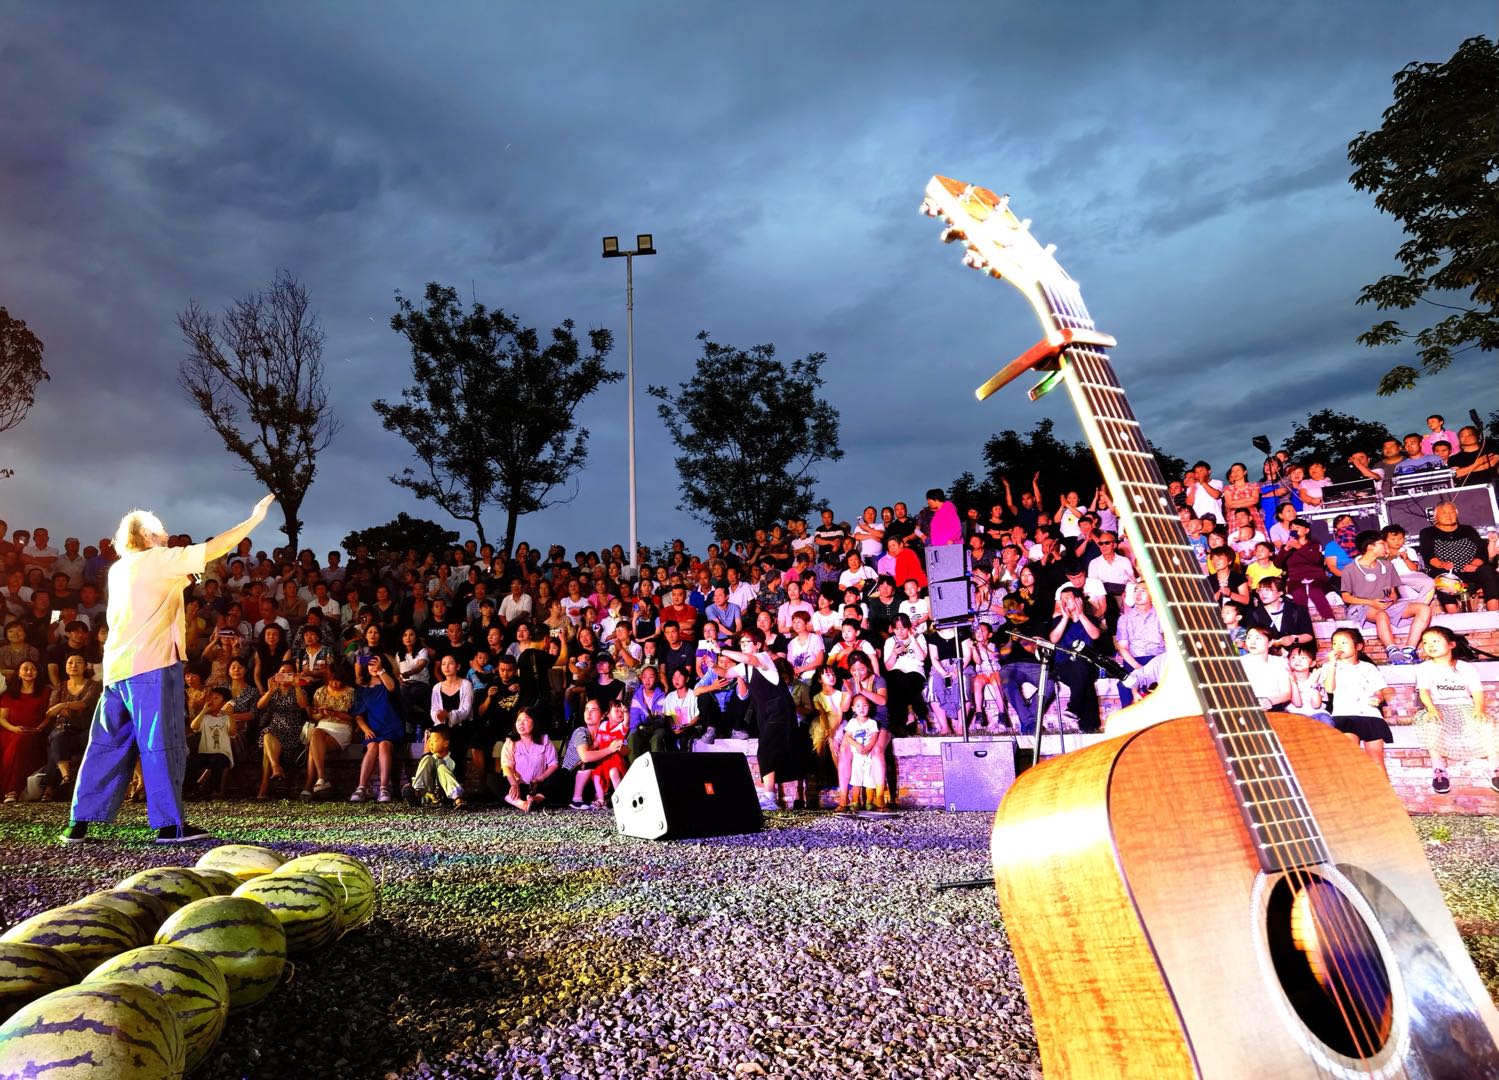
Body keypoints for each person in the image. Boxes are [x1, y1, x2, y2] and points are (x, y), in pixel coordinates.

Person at [63, 494, 275, 845]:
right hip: (151, 664)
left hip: (117, 669)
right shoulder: (157, 559)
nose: (167, 536)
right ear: (146, 536)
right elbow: (214, 547)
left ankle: (79, 823)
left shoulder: (120, 569)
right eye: (161, 532)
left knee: (106, 744)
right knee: (161, 742)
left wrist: (184, 577)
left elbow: (165, 588)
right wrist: (254, 519)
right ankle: (168, 826)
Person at [721, 627, 799, 810]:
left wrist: (721, 650)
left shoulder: (763, 657)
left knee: (765, 750)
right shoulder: (744, 666)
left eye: (747, 642)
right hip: (765, 713)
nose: (743, 645)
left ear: (757, 644)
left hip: (779, 710)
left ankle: (769, 797)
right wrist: (711, 664)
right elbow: (726, 674)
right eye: (741, 642)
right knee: (767, 750)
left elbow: (749, 658)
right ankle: (770, 795)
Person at [1414, 625, 1496, 795]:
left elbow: (1477, 693)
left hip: (1465, 706)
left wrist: (1479, 709)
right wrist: (1431, 709)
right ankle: (1439, 771)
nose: (1430, 645)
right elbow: (1424, 691)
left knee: (1486, 725)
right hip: (1439, 706)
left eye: (1435, 641)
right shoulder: (1424, 668)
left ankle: (1495, 769)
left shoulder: (1466, 667)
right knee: (1432, 725)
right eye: (1425, 642)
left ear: (1451, 644)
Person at [1338, 530, 1432, 664]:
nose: (1386, 547)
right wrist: (1372, 603)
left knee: (1423, 609)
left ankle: (1409, 650)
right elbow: (1346, 597)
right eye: (1382, 544)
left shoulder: (1388, 565)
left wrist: (1391, 600)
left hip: (1384, 606)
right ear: (1370, 547)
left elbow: (1393, 592)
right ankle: (1392, 651)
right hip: (1361, 606)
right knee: (1381, 614)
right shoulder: (1350, 569)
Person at [1319, 628, 1392, 778]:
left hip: (1370, 716)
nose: (1338, 647)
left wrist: (1378, 698)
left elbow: (1380, 691)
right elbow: (1329, 689)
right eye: (1334, 643)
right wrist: (1332, 664)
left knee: (1376, 758)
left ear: (1358, 646)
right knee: (1348, 755)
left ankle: (1384, 797)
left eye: (1344, 642)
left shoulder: (1368, 667)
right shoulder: (1328, 667)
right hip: (1344, 715)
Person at [41, 653, 99, 801]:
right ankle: (66, 777)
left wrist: (63, 706)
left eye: (79, 662)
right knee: (58, 737)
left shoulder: (94, 685)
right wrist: (64, 709)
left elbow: (85, 704)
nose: (74, 665)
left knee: (60, 741)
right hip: (64, 729)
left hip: (85, 729)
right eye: (70, 663)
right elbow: (51, 711)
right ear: (65, 667)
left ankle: (49, 788)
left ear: (85, 666)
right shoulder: (60, 686)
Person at [303, 661, 356, 798]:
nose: (334, 684)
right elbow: (314, 716)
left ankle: (310, 784)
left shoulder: (351, 692)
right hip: (323, 726)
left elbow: (353, 717)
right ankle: (321, 779)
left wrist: (335, 713)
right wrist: (320, 714)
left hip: (342, 727)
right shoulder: (320, 692)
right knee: (316, 734)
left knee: (313, 746)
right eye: (332, 681)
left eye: (337, 681)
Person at [0, 660, 49, 802]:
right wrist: (14, 729)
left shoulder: (45, 692)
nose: (29, 671)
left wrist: (40, 728)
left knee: (21, 742)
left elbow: (49, 715)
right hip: (10, 731)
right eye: (25, 669)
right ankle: (11, 790)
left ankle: (14, 791)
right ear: (19, 673)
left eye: (33, 669)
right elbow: (2, 718)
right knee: (16, 743)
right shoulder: (10, 694)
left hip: (35, 732)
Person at [497, 708, 558, 811]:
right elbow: (506, 766)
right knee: (492, 778)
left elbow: (554, 764)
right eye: (518, 720)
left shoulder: (544, 740)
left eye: (525, 720)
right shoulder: (511, 743)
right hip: (519, 787)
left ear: (534, 722)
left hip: (538, 786)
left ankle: (536, 799)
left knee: (561, 774)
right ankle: (522, 804)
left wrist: (539, 779)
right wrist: (514, 784)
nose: (521, 723)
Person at [186, 685, 238, 799]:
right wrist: (204, 710)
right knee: (191, 761)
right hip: (206, 752)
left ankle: (214, 791)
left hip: (222, 753)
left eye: (216, 698)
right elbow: (194, 726)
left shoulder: (227, 717)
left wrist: (230, 715)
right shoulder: (206, 717)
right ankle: (191, 790)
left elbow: (232, 732)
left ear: (224, 702)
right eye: (211, 697)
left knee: (217, 760)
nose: (212, 700)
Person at [409, 726, 465, 808]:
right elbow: (415, 777)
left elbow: (459, 780)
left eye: (434, 741)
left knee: (441, 767)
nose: (431, 744)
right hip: (427, 793)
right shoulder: (427, 759)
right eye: (429, 740)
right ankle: (416, 794)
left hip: (446, 794)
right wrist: (430, 794)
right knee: (427, 758)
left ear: (446, 743)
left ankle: (458, 800)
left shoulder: (454, 760)